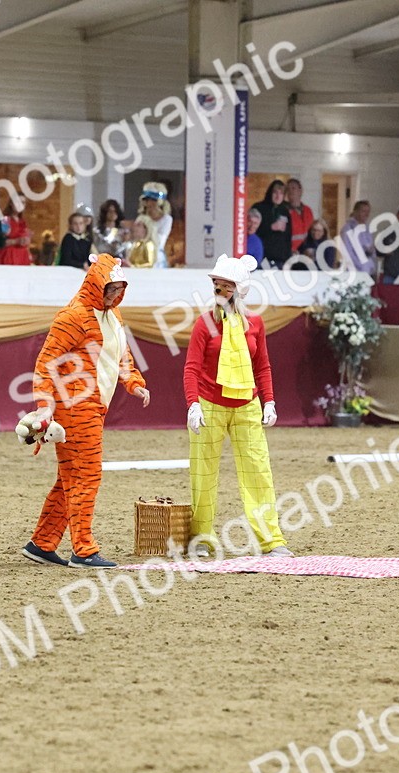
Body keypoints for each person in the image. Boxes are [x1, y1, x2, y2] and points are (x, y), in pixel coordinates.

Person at [19, 253, 150, 568]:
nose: (114, 295)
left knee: (70, 477)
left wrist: (133, 382)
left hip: (93, 405)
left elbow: (122, 354)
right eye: (110, 289)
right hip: (76, 405)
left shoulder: (112, 315)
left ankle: (42, 543)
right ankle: (84, 549)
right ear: (95, 285)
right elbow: (45, 363)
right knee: (86, 475)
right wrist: (44, 407)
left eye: (119, 289)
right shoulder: (73, 316)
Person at [184, 254, 293, 558]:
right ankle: (201, 539)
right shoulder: (204, 323)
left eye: (227, 285)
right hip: (210, 405)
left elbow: (263, 366)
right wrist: (193, 405)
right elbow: (191, 368)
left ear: (240, 289)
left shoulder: (255, 324)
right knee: (203, 474)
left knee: (258, 471)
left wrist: (269, 401)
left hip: (247, 405)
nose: (220, 289)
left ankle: (271, 540)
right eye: (217, 284)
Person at [251, 181, 291, 268]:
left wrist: (288, 258)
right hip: (262, 257)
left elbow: (288, 237)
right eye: (275, 192)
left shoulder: (285, 211)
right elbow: (252, 230)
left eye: (281, 193)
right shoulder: (259, 208)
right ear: (270, 193)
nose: (278, 196)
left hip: (280, 259)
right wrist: (271, 227)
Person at [139, 182, 173, 269]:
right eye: (147, 200)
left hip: (157, 258)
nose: (149, 203)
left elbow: (160, 241)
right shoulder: (141, 218)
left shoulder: (167, 219)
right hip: (141, 256)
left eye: (152, 200)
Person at [340, 200, 376, 275]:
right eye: (363, 211)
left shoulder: (367, 229)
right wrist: (360, 266)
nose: (366, 214)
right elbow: (348, 252)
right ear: (355, 212)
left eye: (368, 211)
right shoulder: (348, 229)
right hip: (354, 271)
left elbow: (371, 250)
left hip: (368, 269)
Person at [0, 201, 32, 265]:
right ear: (11, 204)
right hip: (8, 256)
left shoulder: (22, 222)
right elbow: (1, 241)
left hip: (21, 257)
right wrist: (16, 241)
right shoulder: (5, 219)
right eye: (17, 201)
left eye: (23, 202)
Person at [286, 178, 314, 253]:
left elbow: (312, 231)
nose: (290, 191)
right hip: (291, 252)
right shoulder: (284, 211)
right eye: (288, 189)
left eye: (293, 188)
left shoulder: (308, 210)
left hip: (307, 252)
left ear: (300, 191)